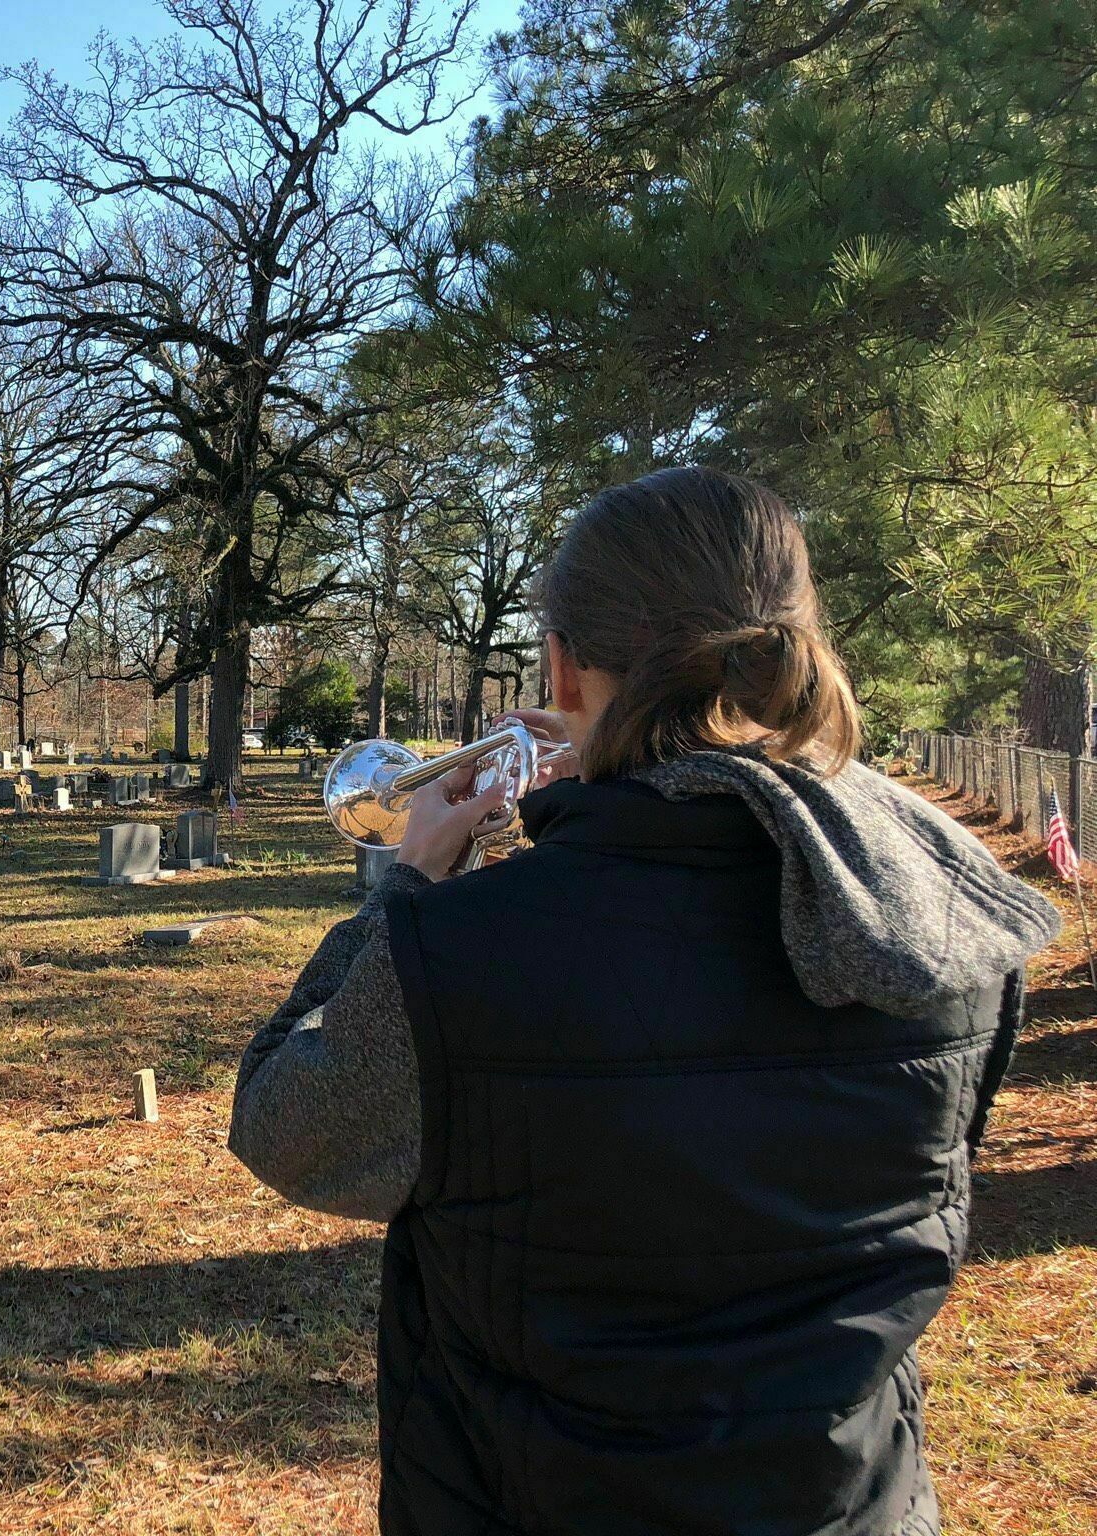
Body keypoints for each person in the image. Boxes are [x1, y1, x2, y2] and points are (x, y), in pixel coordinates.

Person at [227, 467, 1061, 1536]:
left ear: (564, 665)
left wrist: (408, 891)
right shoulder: (948, 919)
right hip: (852, 1507)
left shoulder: (465, 948)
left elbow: (285, 1130)